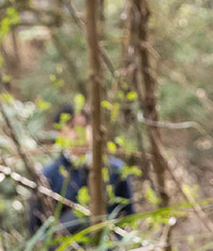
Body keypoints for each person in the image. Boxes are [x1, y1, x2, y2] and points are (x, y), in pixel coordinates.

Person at [27, 102, 135, 241]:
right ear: (59, 132)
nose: (78, 134)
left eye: (83, 126)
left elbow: (128, 217)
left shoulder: (115, 170)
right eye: (72, 127)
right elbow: (37, 230)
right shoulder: (47, 176)